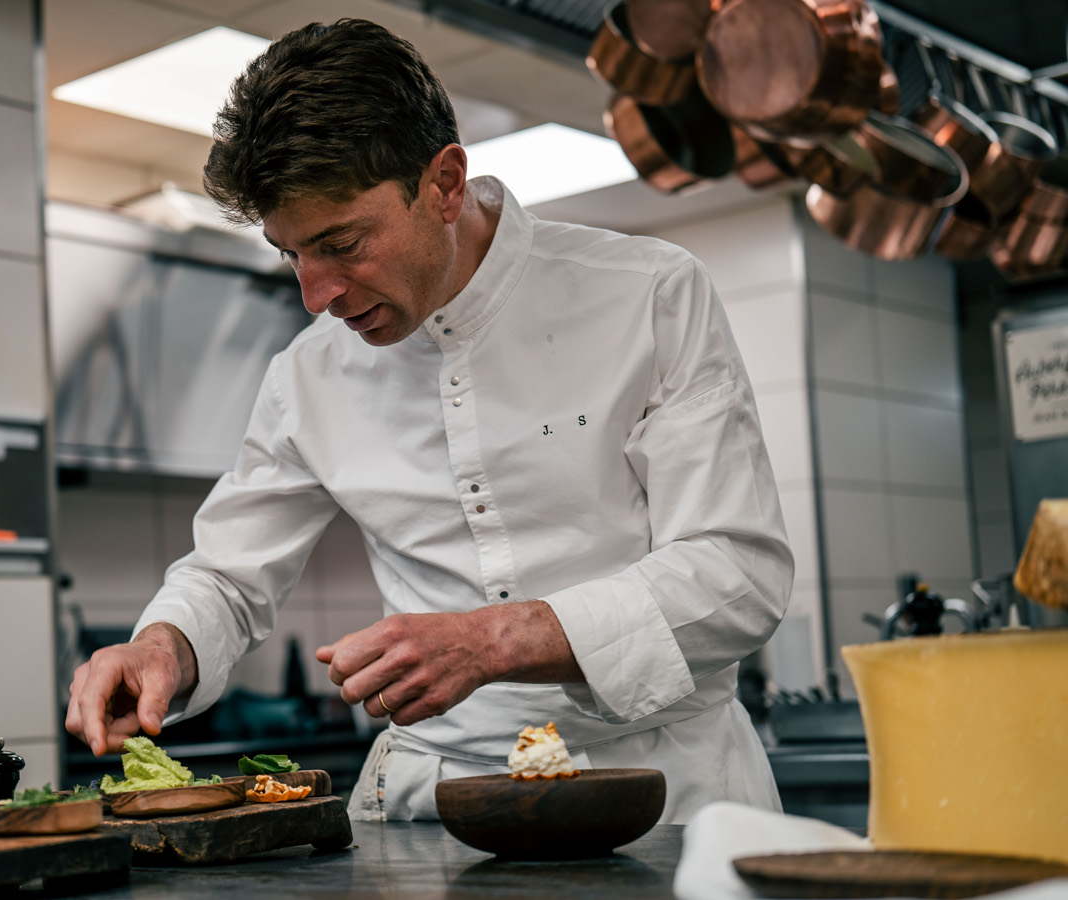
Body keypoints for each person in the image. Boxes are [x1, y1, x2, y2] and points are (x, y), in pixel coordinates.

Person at [65, 18, 792, 823]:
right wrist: (162, 645)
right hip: (435, 811)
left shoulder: (648, 295)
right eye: (291, 253)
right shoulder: (307, 376)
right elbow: (228, 577)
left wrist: (493, 641)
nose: (316, 295)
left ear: (444, 184)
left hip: (670, 793)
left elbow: (737, 573)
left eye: (342, 243)